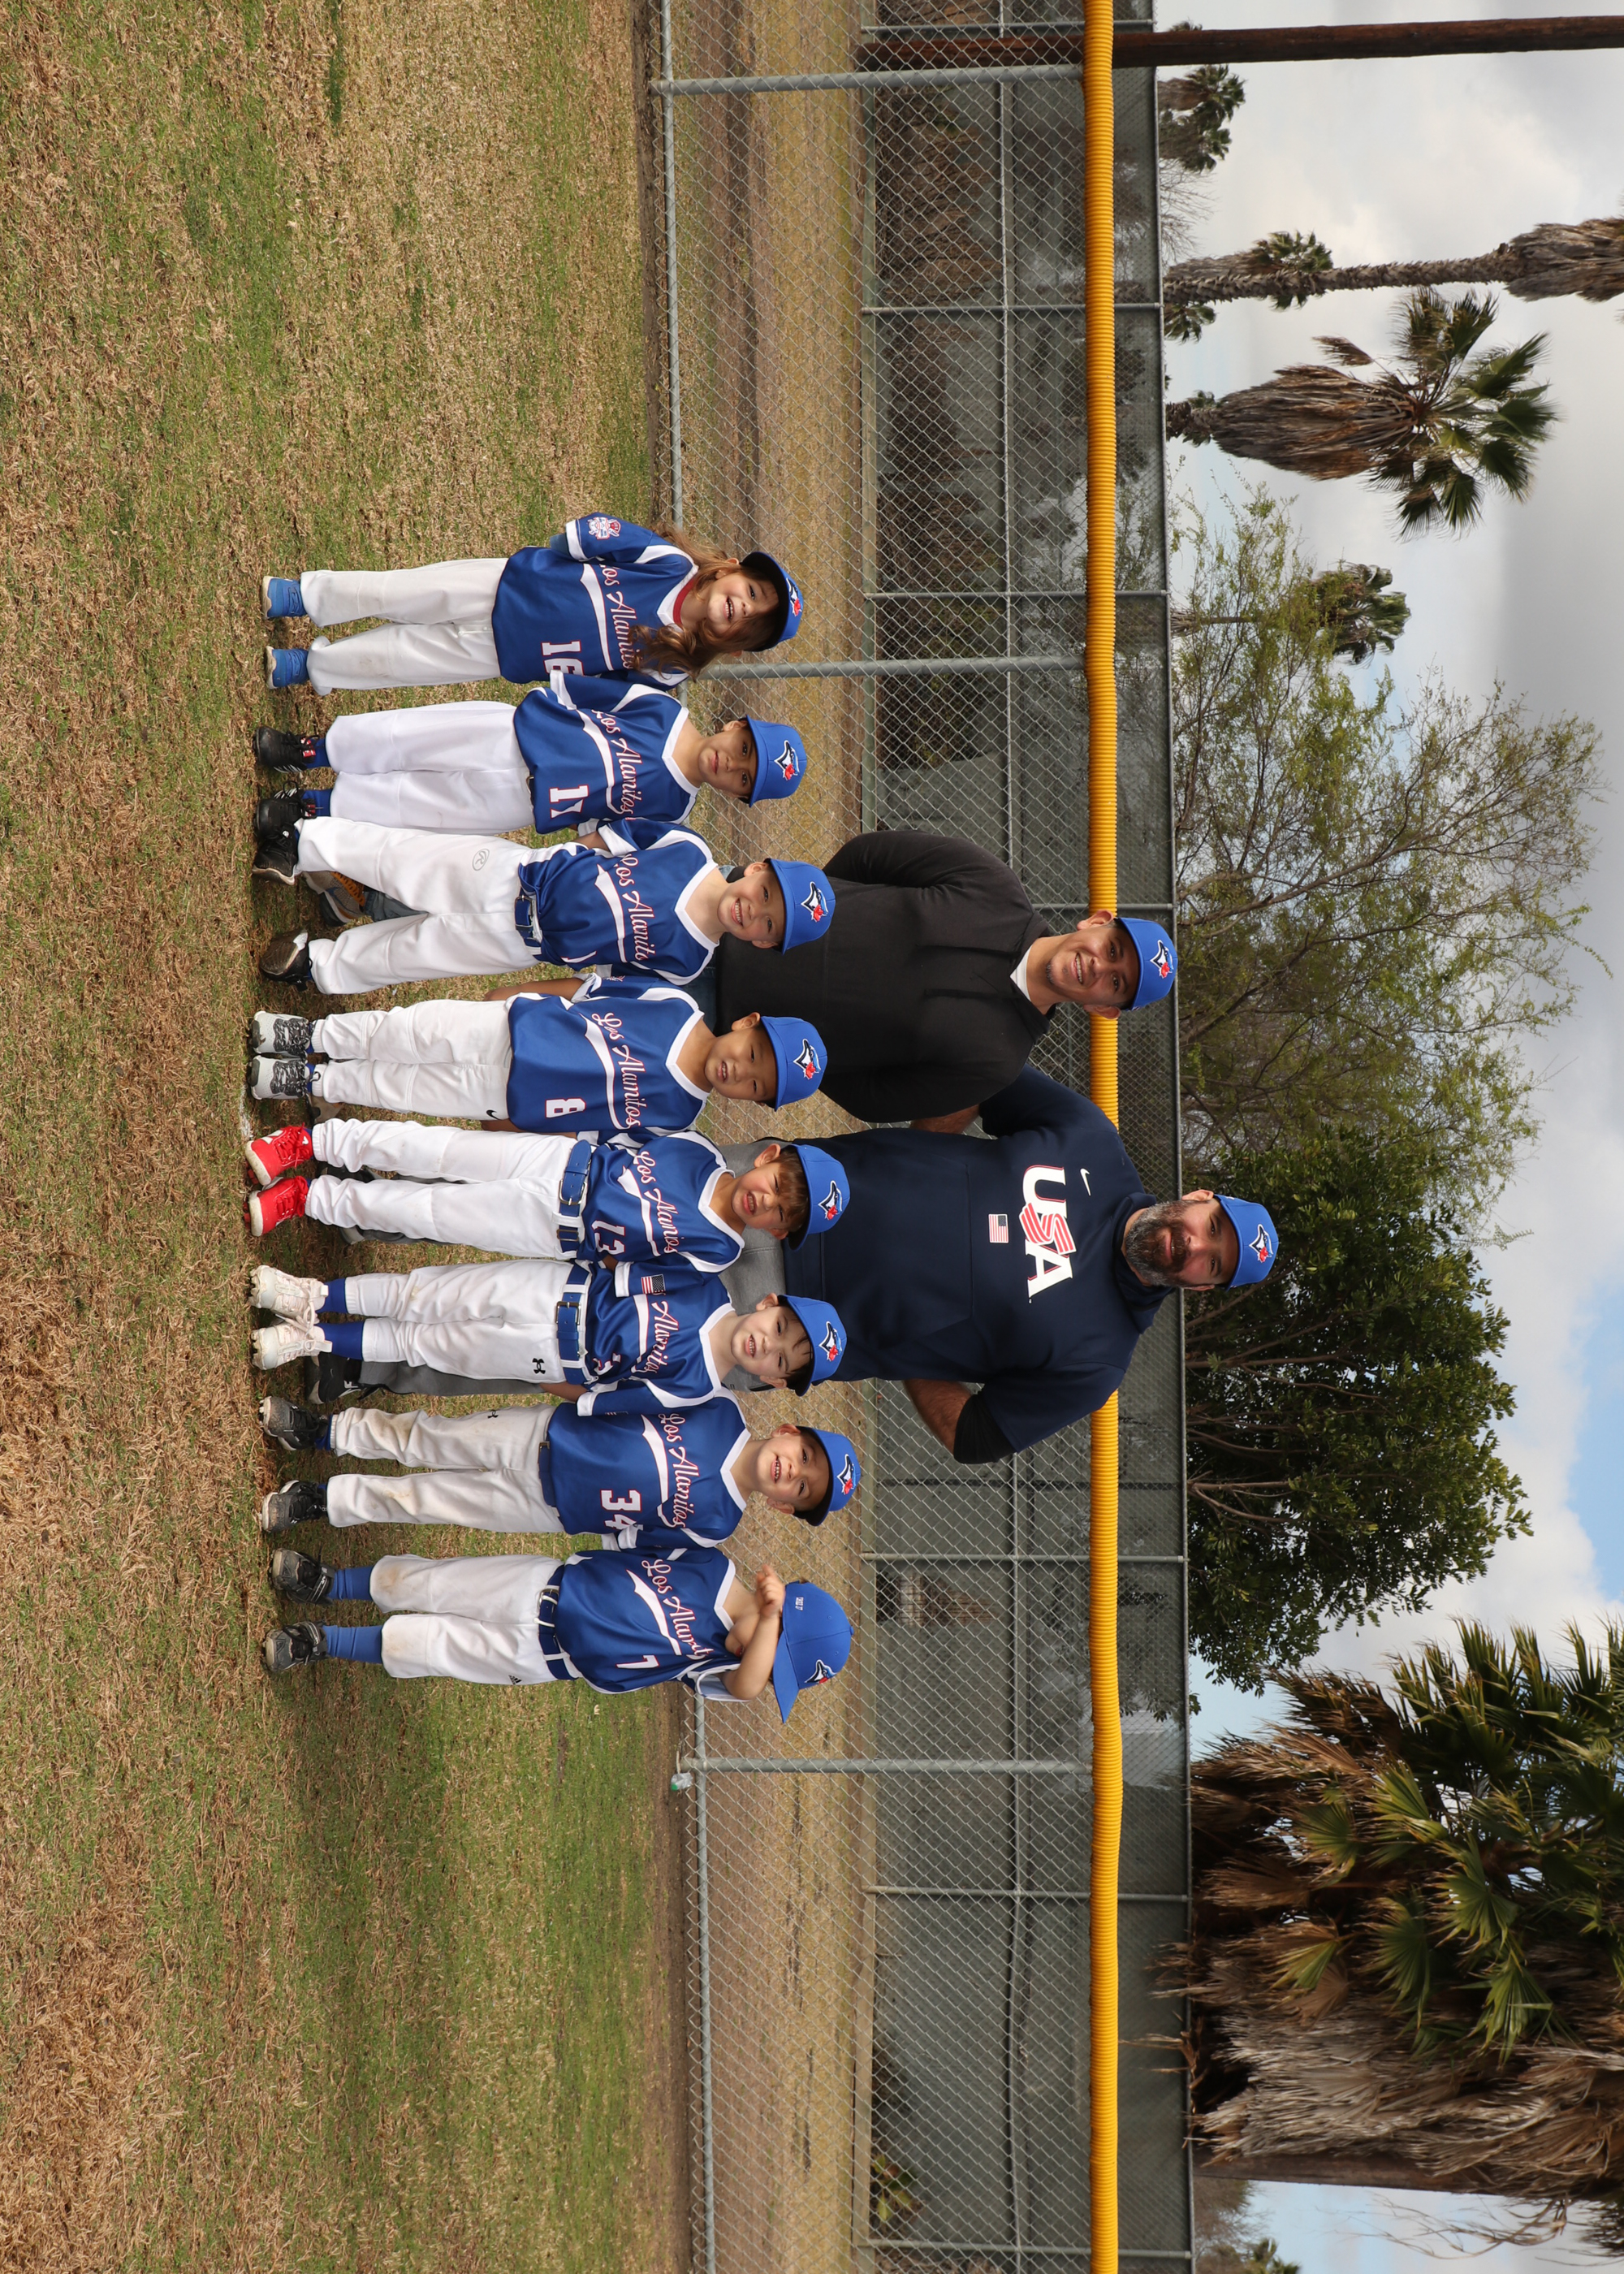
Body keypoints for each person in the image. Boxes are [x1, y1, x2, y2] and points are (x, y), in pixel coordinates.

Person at [774, 1067, 1277, 1460]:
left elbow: (974, 1436)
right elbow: (982, 1076)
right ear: (1199, 1197)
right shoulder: (1093, 1140)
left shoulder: (1098, 1362)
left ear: (1203, 1287)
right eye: (1213, 1228)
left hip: (789, 1325)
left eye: (1214, 1265)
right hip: (792, 1189)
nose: (1195, 1247)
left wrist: (907, 1347)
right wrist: (921, 1156)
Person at [706, 828, 1178, 1124]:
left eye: (1116, 983)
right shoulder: (994, 886)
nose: (1099, 966)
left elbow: (874, 1100)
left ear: (1103, 1009)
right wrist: (796, 930)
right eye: (1112, 949)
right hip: (726, 917)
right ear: (1097, 922)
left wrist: (786, 1050)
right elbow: (869, 855)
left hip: (723, 1030)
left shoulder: (997, 1063)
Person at [251, 811, 834, 995]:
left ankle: (315, 966)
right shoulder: (690, 850)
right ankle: (299, 844)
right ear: (757, 868)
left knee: (410, 956)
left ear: (763, 944)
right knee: (405, 859)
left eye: (768, 924)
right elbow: (607, 841)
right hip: (517, 877)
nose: (753, 911)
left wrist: (528, 988)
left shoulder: (688, 962)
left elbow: (599, 980)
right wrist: (552, 865)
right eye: (765, 894)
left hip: (522, 943)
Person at [260, 1550, 849, 1718]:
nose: (760, 1666)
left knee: (428, 1647)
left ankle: (323, 1642)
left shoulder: (715, 1666)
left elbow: (746, 1686)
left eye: (771, 1669)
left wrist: (769, 1626)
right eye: (774, 1652)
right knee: (427, 1582)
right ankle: (331, 1582)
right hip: (541, 1584)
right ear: (775, 1605)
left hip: (543, 1656)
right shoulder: (710, 1564)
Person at [259, 516, 804, 692]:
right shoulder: (670, 565)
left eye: (755, 625)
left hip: (513, 655)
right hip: (507, 584)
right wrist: (560, 555)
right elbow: (605, 535)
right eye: (753, 593)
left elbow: (604, 691)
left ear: (738, 649)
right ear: (731, 569)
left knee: (402, 660)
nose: (745, 609)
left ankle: (309, 666)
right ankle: (303, 596)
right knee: (399, 592)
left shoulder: (673, 667)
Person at [248, 1257, 849, 1411]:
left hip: (553, 1359)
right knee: (424, 1295)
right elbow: (620, 1270)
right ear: (769, 1302)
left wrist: (542, 1375)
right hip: (558, 1291)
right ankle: (312, 1295)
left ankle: (316, 1341)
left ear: (773, 1382)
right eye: (780, 1328)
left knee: (423, 1345)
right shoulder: (707, 1286)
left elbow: (603, 1399)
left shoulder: (698, 1390)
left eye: (781, 1361)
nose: (767, 1345)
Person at [244, 1119, 851, 1271]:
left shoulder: (718, 1253)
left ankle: (308, 1198)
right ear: (767, 1157)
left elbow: (632, 1275)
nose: (766, 1201)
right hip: (559, 1160)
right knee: (436, 1149)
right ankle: (312, 1141)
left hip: (553, 1229)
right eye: (777, 1185)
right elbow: (613, 1135)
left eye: (780, 1213)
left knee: (429, 1212)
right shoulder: (698, 1149)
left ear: (777, 1233)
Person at [245, 974, 827, 1131]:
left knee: (407, 1089)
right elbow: (588, 991)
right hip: (515, 1028)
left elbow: (592, 1129)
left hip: (514, 1097)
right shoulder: (675, 1005)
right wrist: (520, 994)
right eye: (753, 1054)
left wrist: (519, 1125)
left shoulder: (679, 1115)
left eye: (755, 1085)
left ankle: (310, 1082)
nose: (740, 1071)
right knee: (409, 1031)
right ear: (747, 1023)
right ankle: (309, 1037)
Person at [253, 1393, 862, 1542]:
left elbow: (636, 1543)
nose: (792, 1472)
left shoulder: (718, 1524)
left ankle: (319, 1500)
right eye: (805, 1457)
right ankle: (323, 1431)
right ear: (790, 1431)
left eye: (802, 1489)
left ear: (783, 1506)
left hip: (550, 1508)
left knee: (424, 1501)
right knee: (430, 1437)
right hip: (548, 1435)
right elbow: (636, 1394)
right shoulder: (721, 1410)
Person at [252, 684, 807, 833]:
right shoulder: (664, 709)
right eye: (743, 750)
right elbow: (584, 692)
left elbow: (603, 833)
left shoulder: (674, 812)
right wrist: (545, 712)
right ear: (735, 726)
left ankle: (312, 806)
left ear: (736, 796)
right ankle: (310, 749)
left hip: (522, 801)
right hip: (516, 734)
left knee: (418, 806)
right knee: (409, 736)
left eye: (744, 779)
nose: (732, 765)